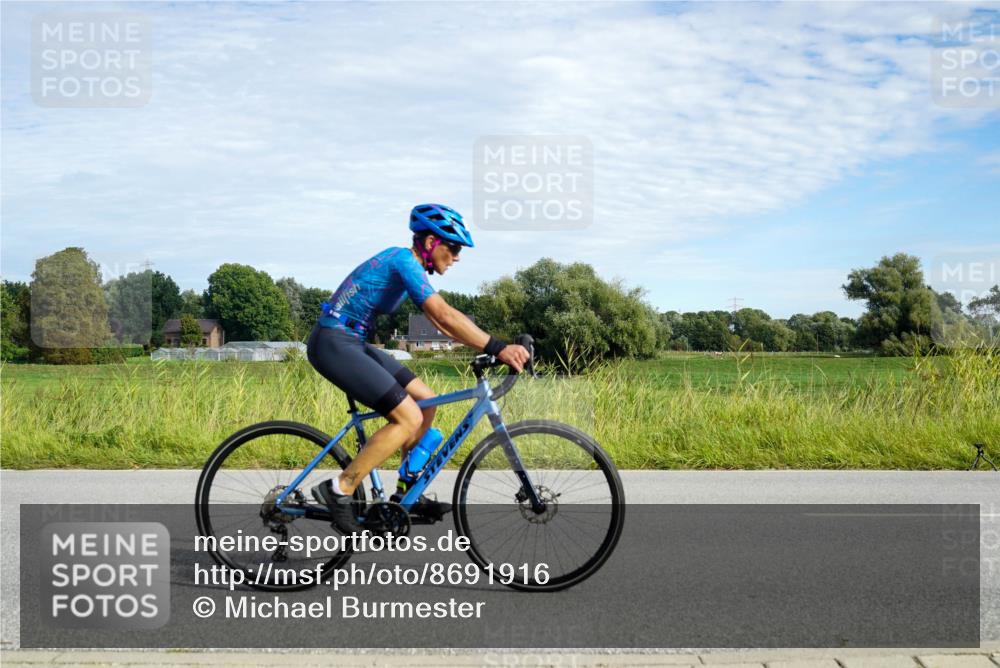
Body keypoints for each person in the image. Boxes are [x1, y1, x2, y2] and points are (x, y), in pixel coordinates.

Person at [307, 203, 530, 535]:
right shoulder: (404, 261)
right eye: (453, 247)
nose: (456, 257)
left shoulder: (410, 267)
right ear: (430, 243)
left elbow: (444, 326)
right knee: (408, 416)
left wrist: (487, 348)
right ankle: (340, 488)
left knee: (427, 401)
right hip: (333, 343)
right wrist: (498, 347)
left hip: (352, 341)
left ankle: (405, 492)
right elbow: (442, 314)